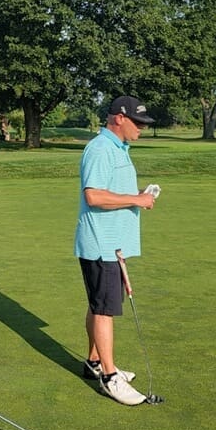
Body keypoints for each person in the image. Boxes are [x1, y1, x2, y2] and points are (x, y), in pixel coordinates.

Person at [74, 95, 157, 406]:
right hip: (101, 244)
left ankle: (94, 362)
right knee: (104, 309)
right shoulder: (100, 148)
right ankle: (109, 377)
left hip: (112, 245)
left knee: (99, 304)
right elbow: (93, 196)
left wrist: (136, 196)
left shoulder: (118, 148)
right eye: (138, 122)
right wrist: (137, 200)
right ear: (119, 118)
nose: (142, 129)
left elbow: (110, 192)